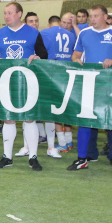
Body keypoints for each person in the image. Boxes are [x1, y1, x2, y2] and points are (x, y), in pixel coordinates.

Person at [67, 5, 112, 176]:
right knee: (85, 121)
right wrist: (76, 60)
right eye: (91, 16)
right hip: (90, 83)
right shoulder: (84, 33)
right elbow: (76, 54)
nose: (92, 19)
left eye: (96, 16)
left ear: (106, 17)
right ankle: (82, 159)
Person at [0, 2, 48, 171]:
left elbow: (44, 54)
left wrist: (37, 57)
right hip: (7, 82)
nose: (6, 16)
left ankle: (33, 157)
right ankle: (7, 157)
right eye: (5, 13)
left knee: (29, 118)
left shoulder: (34, 33)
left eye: (10, 13)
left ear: (19, 14)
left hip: (28, 81)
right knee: (8, 118)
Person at [40, 16, 77, 158]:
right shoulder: (70, 35)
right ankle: (69, 140)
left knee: (55, 108)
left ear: (49, 24)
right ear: (60, 23)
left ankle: (62, 141)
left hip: (53, 74)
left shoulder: (45, 33)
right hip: (68, 73)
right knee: (67, 107)